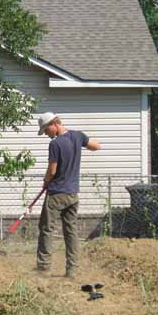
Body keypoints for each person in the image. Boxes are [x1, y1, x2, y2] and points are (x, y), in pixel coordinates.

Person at [36, 112, 101, 278]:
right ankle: (72, 270)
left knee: (46, 229)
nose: (46, 135)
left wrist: (45, 181)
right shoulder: (78, 136)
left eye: (46, 131)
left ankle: (43, 268)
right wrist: (84, 144)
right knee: (71, 232)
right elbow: (96, 146)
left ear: (53, 124)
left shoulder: (55, 144)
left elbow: (52, 170)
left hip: (57, 194)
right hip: (73, 194)